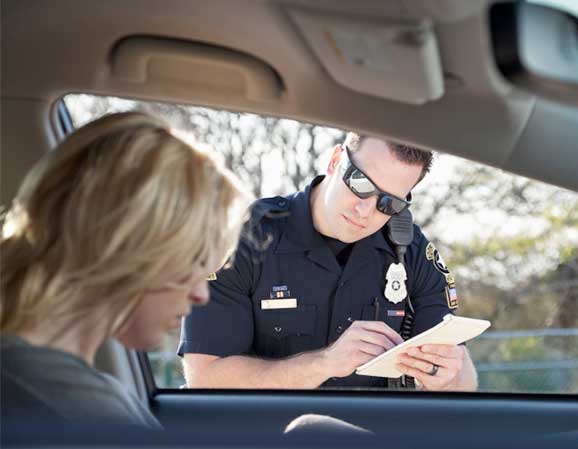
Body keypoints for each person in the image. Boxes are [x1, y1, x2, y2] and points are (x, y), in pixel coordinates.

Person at [0, 112, 248, 428]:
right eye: (195, 260)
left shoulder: (49, 384)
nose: (201, 294)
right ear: (134, 246)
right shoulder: (78, 410)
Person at [180, 132, 478, 390]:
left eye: (389, 203)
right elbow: (204, 376)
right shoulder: (241, 238)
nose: (365, 210)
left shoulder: (410, 250)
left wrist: (447, 375)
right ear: (336, 161)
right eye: (360, 184)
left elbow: (464, 378)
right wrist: (323, 363)